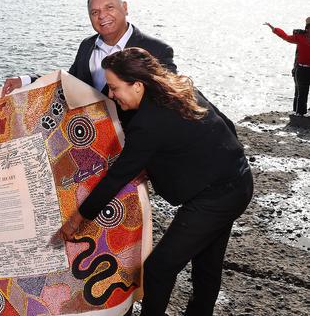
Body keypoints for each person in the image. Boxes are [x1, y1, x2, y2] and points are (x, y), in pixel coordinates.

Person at [54, 48, 253, 316]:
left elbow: (117, 177)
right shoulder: (178, 87)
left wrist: (78, 218)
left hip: (219, 195)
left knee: (159, 269)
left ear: (137, 86)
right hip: (237, 178)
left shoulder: (148, 122)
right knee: (207, 265)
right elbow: (227, 125)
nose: (111, 95)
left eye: (114, 88)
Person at [2, 0, 176, 126]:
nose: (102, 16)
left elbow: (169, 105)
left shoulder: (157, 51)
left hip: (137, 145)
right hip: (91, 139)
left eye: (109, 7)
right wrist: (26, 81)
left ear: (125, 8)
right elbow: (69, 82)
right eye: (95, 12)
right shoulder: (86, 46)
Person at [264, 18, 310, 116]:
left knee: (302, 93)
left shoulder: (300, 36)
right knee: (302, 94)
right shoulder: (299, 37)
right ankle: (300, 115)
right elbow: (285, 37)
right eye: (309, 28)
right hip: (301, 69)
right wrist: (274, 29)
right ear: (306, 28)